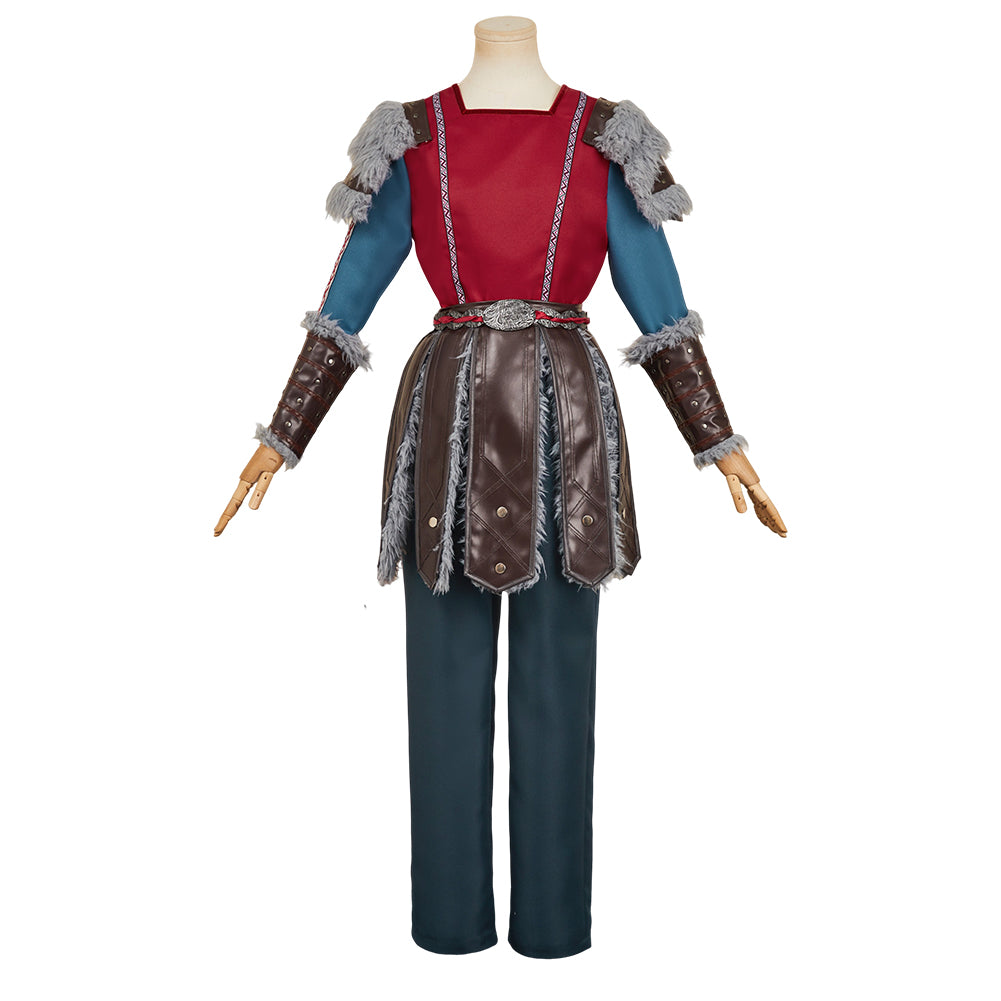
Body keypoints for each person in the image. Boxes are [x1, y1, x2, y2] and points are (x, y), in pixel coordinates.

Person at [215, 16, 785, 959]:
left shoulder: (604, 137)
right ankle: (451, 923)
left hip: (567, 429)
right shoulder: (413, 136)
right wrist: (282, 436)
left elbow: (659, 303)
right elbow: (347, 300)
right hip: (450, 422)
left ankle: (552, 926)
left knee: (558, 679)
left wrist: (718, 441)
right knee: (443, 684)